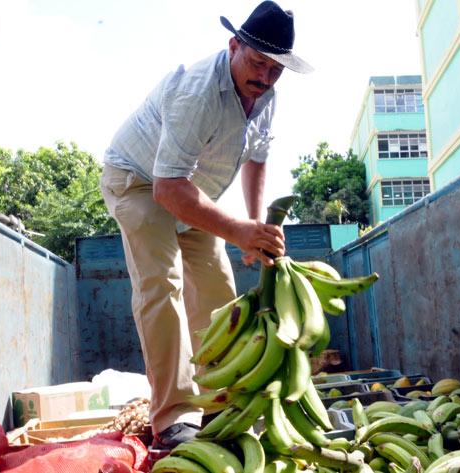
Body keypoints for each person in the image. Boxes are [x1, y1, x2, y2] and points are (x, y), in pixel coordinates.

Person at [99, 1, 313, 449]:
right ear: (235, 45)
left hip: (191, 190)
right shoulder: (196, 92)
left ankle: (221, 405)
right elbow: (166, 189)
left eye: (277, 70)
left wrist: (253, 226)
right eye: (258, 64)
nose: (265, 78)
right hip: (140, 181)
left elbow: (258, 157)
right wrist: (237, 231)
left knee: (219, 295)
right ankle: (173, 417)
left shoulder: (265, 94)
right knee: (163, 286)